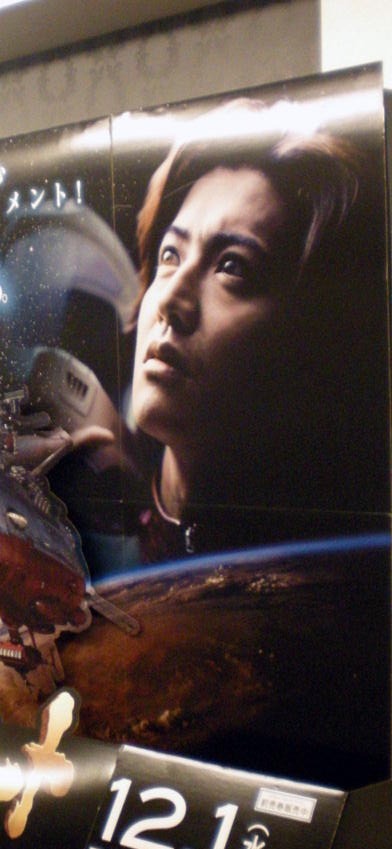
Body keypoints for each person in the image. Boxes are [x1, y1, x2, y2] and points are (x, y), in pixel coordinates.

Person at [125, 100, 387, 562]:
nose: (170, 301)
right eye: (170, 255)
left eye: (232, 267)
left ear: (307, 338)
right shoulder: (96, 529)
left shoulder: (342, 568)